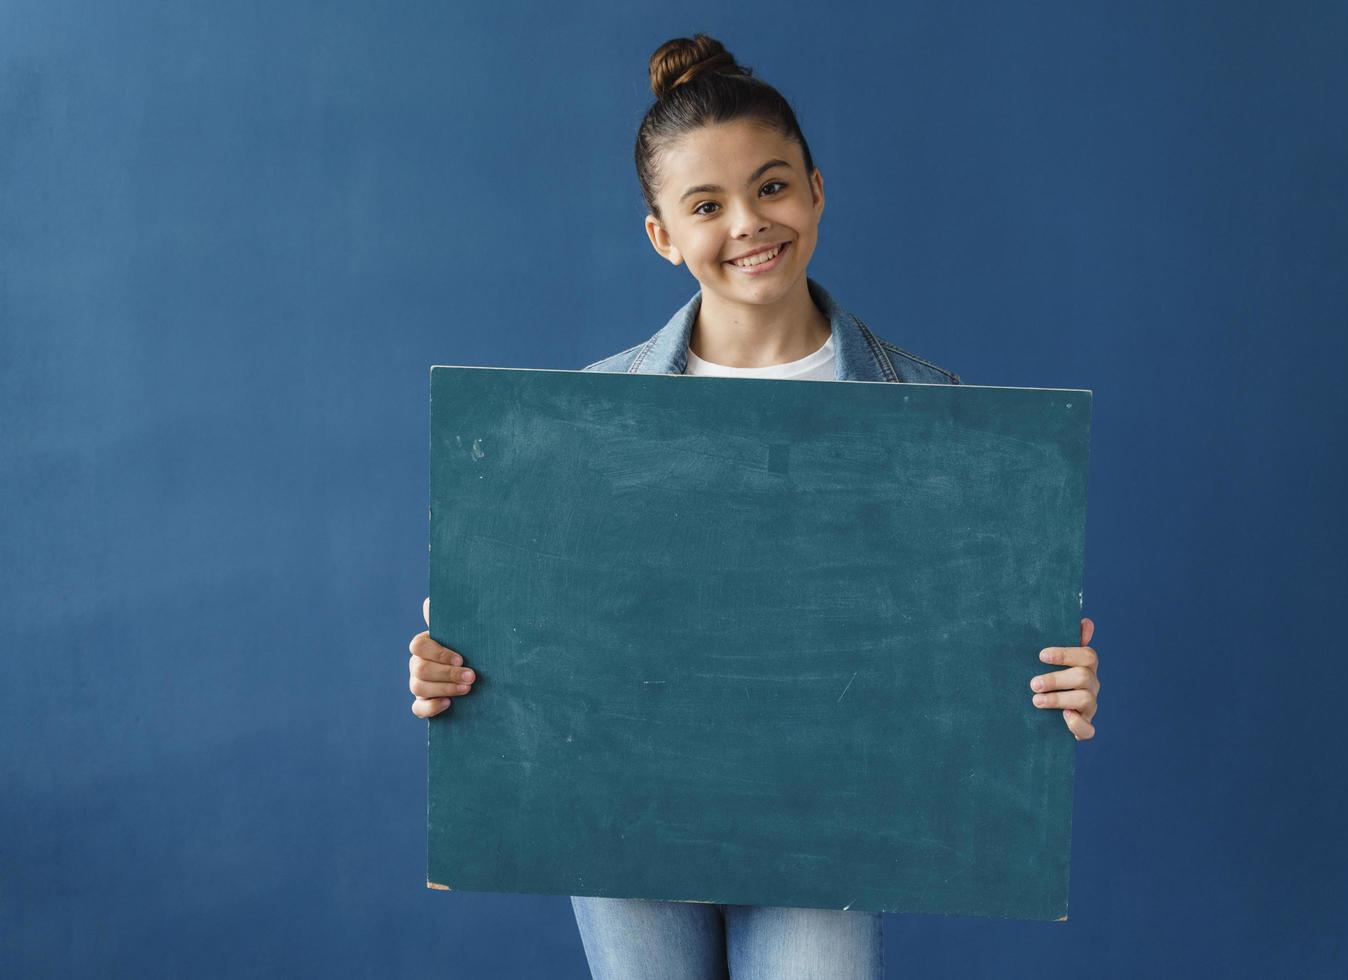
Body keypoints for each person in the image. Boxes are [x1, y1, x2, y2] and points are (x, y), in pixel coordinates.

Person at [407, 32, 1102, 980]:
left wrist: (1044, 684)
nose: (748, 223)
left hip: (829, 821)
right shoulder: (581, 421)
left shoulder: (927, 412)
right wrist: (459, 666)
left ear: (816, 188)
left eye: (771, 187)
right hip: (625, 811)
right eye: (706, 205)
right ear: (662, 234)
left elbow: (960, 652)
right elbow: (539, 641)